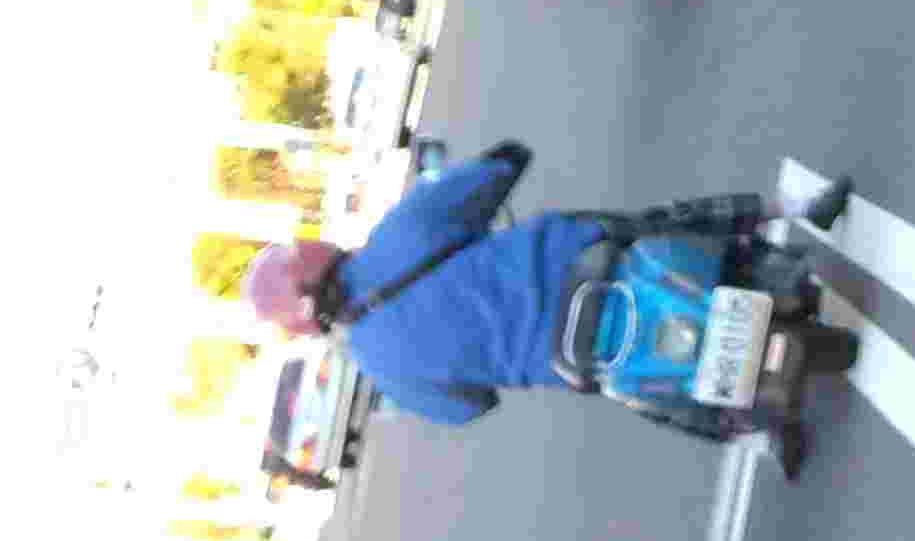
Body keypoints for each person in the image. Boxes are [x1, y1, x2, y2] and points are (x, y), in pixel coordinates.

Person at [240, 145, 832, 477]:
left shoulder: (380, 366)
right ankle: (796, 210)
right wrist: (497, 164)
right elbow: (495, 172)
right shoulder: (397, 234)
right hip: (582, 254)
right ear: (313, 263)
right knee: (674, 224)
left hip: (572, 353)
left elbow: (468, 408)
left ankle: (756, 433)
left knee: (654, 401)